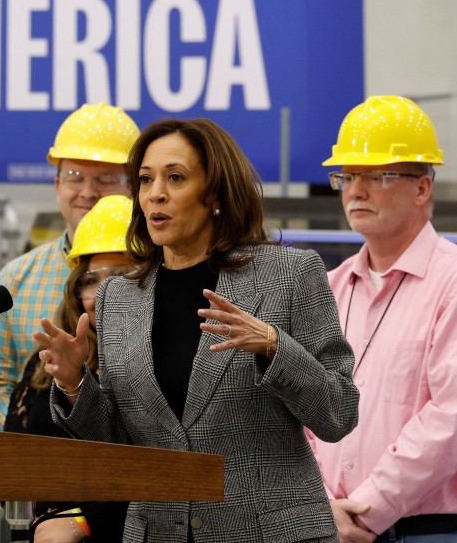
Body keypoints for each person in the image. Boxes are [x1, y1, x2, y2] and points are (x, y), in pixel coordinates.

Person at [37, 118, 359, 543]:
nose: (156, 193)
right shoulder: (119, 297)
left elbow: (339, 414)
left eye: (175, 177)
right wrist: (75, 383)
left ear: (216, 194)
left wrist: (274, 346)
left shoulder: (289, 274)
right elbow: (119, 444)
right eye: (145, 179)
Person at [310, 95, 457, 543]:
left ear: (422, 189)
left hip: (423, 533)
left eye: (376, 176)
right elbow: (302, 411)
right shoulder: (329, 287)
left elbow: (453, 419)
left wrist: (364, 513)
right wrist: (321, 508)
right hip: (328, 527)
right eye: (347, 176)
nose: (356, 191)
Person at [0, 103, 139, 431]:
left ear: (136, 187)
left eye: (106, 179)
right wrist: (30, 448)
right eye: (75, 178)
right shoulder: (16, 278)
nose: (88, 192)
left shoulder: (159, 271)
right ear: (57, 185)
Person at [3, 194, 132, 543]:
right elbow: (14, 456)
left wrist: (80, 522)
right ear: (76, 290)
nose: (102, 291)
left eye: (120, 276)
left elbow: (155, 469)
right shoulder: (49, 357)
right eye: (90, 280)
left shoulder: (156, 361)